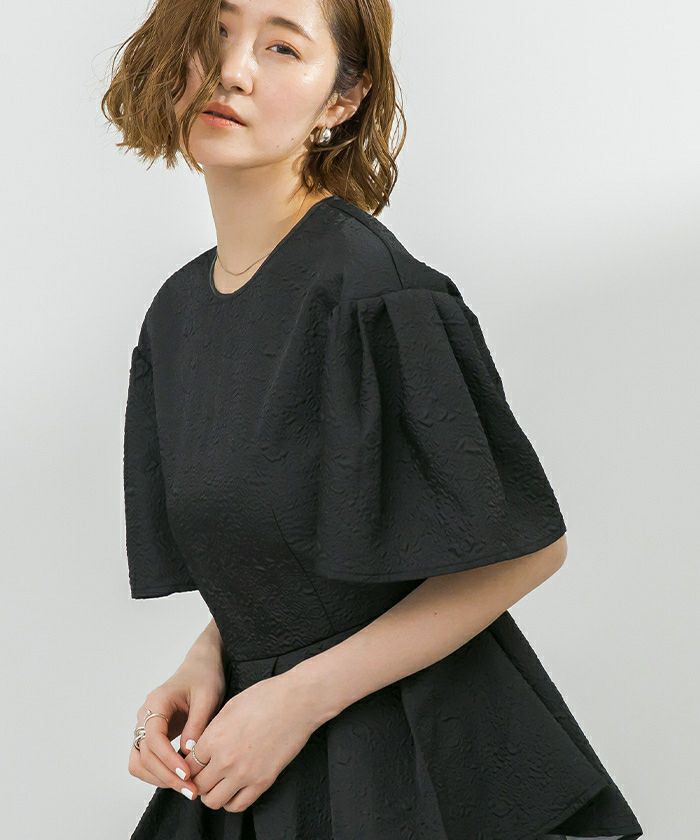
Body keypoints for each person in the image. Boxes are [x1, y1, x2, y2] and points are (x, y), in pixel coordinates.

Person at [102, 1, 644, 838]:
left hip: (408, 756)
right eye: (215, 33)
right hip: (260, 742)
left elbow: (524, 546)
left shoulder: (372, 288)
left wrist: (296, 700)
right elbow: (303, 549)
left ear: (342, 99)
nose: (233, 71)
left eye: (283, 48)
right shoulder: (176, 315)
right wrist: (207, 658)